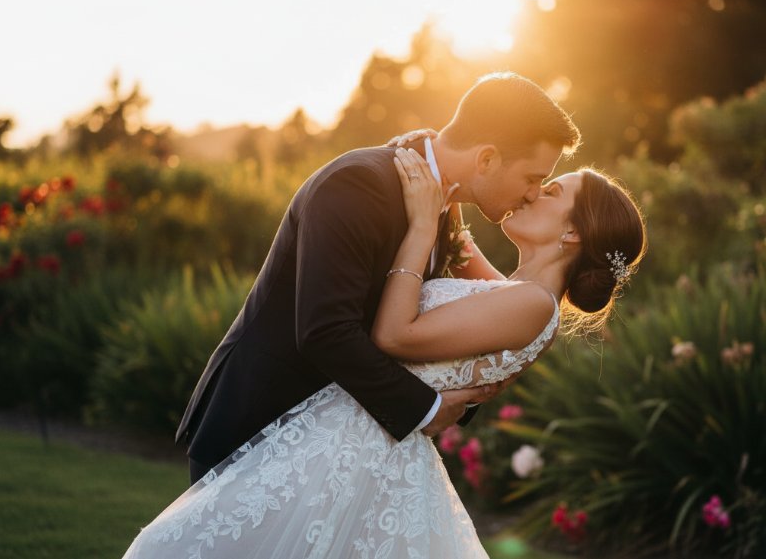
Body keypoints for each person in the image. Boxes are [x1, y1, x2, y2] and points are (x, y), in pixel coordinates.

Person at [122, 140, 647, 558]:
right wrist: (439, 174)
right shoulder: (517, 293)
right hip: (351, 436)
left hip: (354, 451)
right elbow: (463, 250)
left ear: (574, 232)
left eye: (550, 191)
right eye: (537, 181)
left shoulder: (532, 305)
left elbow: (395, 335)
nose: (533, 193)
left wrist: (421, 226)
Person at [173, 72, 582, 487]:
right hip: (261, 427)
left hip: (334, 451)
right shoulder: (359, 184)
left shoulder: (442, 208)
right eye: (533, 178)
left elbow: (470, 315)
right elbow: (324, 330)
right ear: (487, 159)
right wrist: (426, 408)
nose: (533, 193)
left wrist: (479, 375)